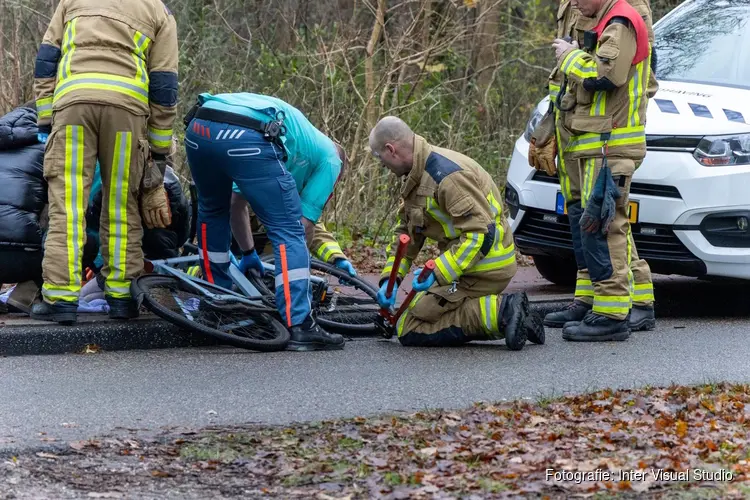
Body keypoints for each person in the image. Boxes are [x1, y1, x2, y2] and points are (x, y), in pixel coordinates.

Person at [30, 0, 179, 324]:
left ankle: (61, 299)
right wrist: (157, 151)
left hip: (74, 107)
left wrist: (45, 119)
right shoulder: (158, 11)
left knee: (66, 207)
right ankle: (122, 296)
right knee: (122, 205)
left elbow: (46, 60)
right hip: (127, 113)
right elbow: (164, 86)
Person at [183, 92, 345, 351]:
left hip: (200, 125)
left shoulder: (299, 140)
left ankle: (216, 307)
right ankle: (301, 324)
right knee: (288, 229)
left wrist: (248, 253)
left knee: (212, 212)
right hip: (248, 134)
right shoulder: (331, 159)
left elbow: (235, 205)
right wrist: (298, 281)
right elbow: (302, 227)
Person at [532, 0, 657, 334]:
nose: (572, 4)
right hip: (583, 138)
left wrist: (571, 57)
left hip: (608, 140)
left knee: (604, 222)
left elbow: (608, 74)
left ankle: (612, 312)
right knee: (594, 220)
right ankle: (624, 300)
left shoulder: (622, 18)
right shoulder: (598, 16)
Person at [369, 116, 544, 348]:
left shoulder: (446, 177)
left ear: (391, 150)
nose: (385, 168)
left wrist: (438, 272)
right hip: (467, 265)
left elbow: (480, 235)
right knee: (417, 314)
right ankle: (514, 317)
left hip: (484, 267)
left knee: (410, 327)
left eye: (382, 160)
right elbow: (407, 235)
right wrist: (390, 280)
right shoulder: (418, 175)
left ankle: (504, 311)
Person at [229, 143, 357, 278]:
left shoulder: (300, 189)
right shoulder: (272, 166)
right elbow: (221, 207)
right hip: (231, 239)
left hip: (259, 254)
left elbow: (309, 228)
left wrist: (337, 257)